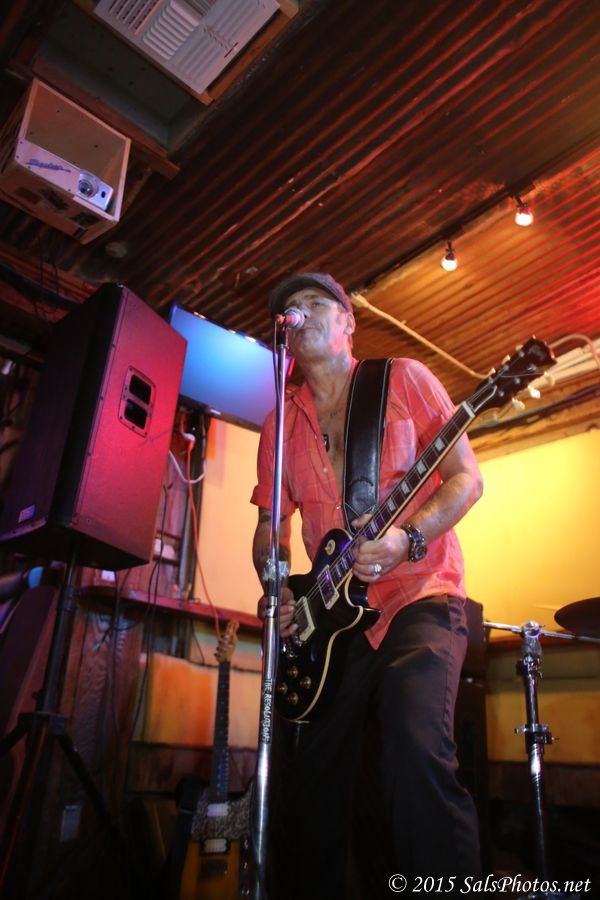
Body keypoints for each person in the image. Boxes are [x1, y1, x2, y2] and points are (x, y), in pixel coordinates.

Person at [251, 272, 484, 899]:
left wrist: (409, 538)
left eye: (314, 303)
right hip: (330, 624)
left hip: (417, 593)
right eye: (290, 309)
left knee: (415, 751)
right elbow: (271, 527)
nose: (299, 315)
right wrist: (281, 590)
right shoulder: (279, 425)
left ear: (348, 321)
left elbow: (466, 479)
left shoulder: (403, 379)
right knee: (309, 786)